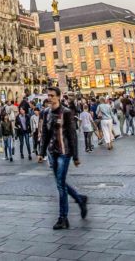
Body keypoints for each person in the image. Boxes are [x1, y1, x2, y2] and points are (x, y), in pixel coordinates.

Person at [38, 87, 87, 230]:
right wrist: (41, 153)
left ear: (58, 97)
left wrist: (76, 156)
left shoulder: (66, 112)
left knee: (60, 184)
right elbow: (45, 134)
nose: (49, 98)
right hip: (52, 152)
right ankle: (80, 199)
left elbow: (72, 135)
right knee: (61, 183)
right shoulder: (46, 113)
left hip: (64, 152)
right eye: (48, 96)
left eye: (52, 96)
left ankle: (63, 218)